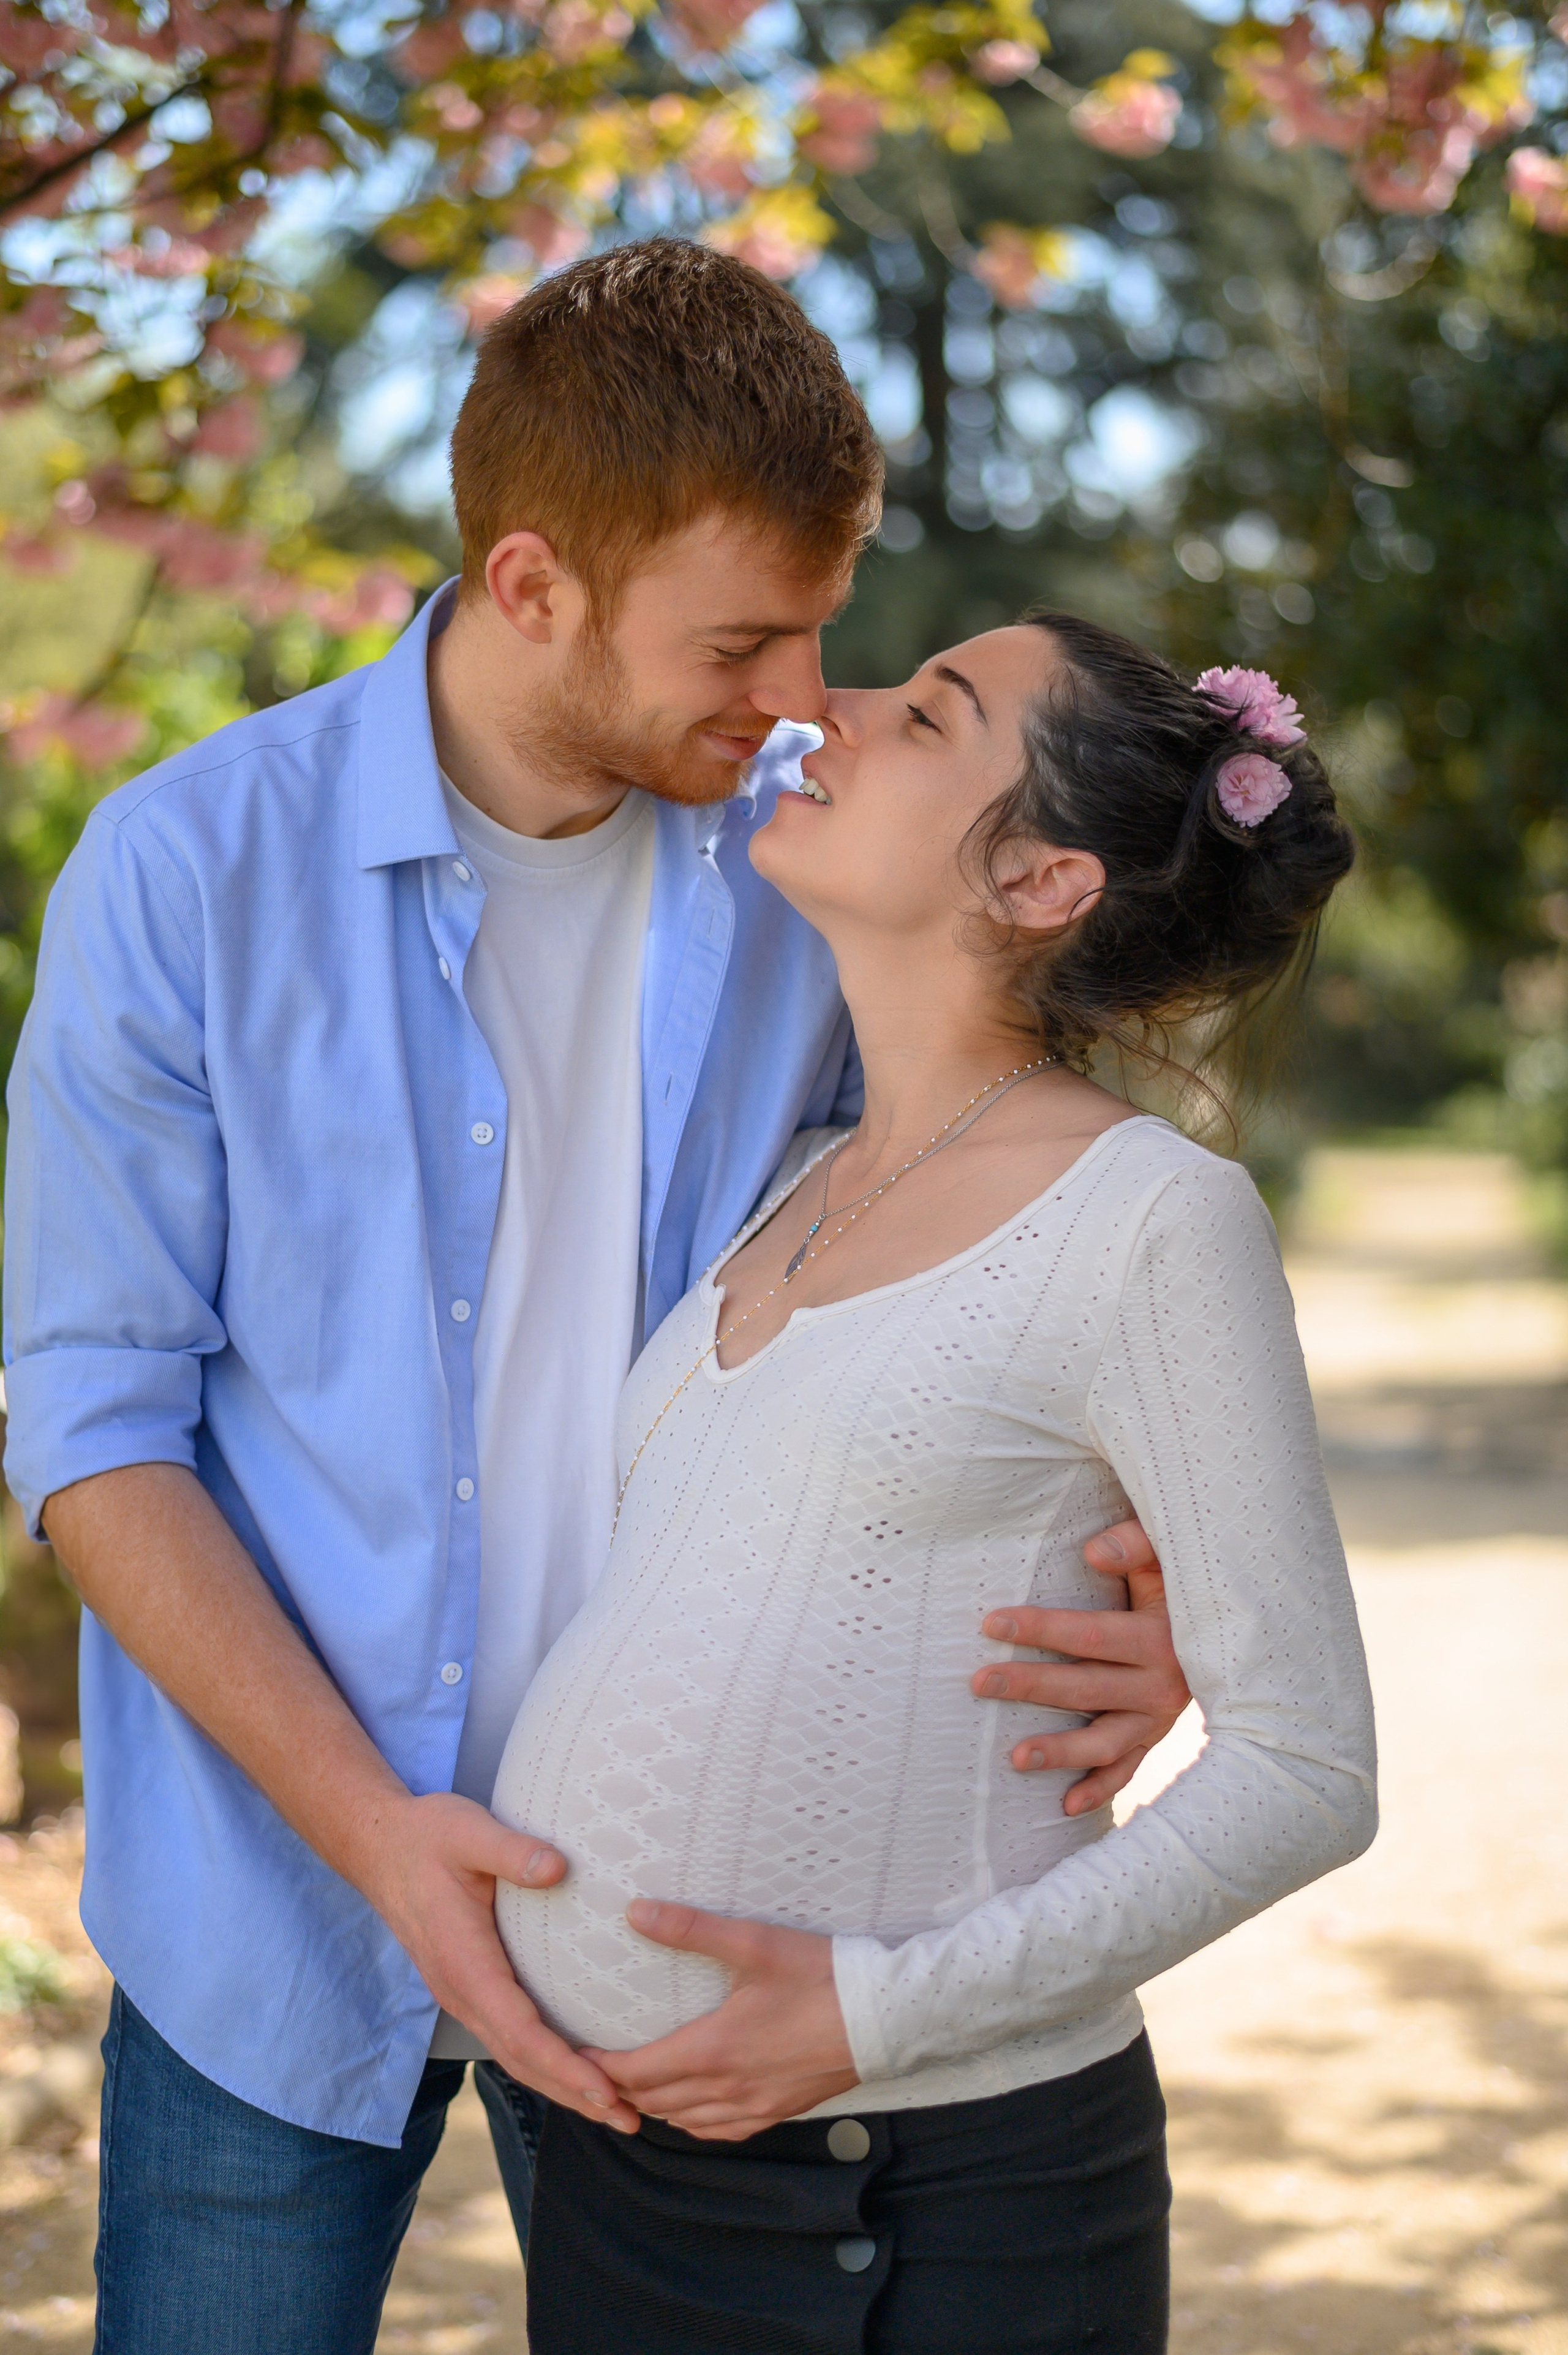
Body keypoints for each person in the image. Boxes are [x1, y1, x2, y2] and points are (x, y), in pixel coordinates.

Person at [1, 242, 1189, 2353]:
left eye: (821, 627)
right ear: (532, 582)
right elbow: (95, 1425)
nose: (804, 697)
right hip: (274, 1896)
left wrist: (1158, 1565)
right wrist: (377, 1832)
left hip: (696, 1897)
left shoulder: (822, 874)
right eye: (741, 640)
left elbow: (1013, 1238)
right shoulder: (187, 875)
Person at [490, 616, 1379, 2354]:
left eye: (926, 716)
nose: (828, 708)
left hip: (915, 2189)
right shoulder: (802, 1174)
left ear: (1043, 879)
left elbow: (1306, 1768)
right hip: (627, 2171)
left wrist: (873, 2015)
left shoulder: (1153, 1219)